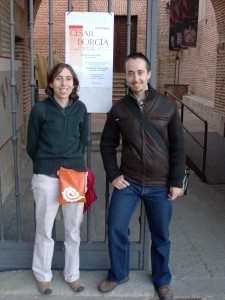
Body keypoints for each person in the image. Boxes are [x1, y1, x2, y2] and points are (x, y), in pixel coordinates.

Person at [98, 52, 186, 300]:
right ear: (125, 76)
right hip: (130, 182)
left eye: (139, 72)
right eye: (130, 73)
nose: (135, 78)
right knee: (115, 226)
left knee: (161, 234)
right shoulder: (119, 109)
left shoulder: (168, 106)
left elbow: (179, 147)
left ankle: (162, 279)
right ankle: (118, 273)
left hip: (160, 184)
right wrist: (114, 174)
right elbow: (107, 144)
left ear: (149, 74)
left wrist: (176, 182)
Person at [27, 63, 88, 295]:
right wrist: (47, 163)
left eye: (69, 79)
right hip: (46, 176)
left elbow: (82, 141)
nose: (64, 84)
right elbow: (32, 145)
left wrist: (71, 162)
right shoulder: (40, 110)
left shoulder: (80, 108)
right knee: (44, 229)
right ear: (51, 83)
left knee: (73, 230)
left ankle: (72, 275)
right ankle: (43, 276)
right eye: (59, 79)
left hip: (73, 175)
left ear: (74, 83)